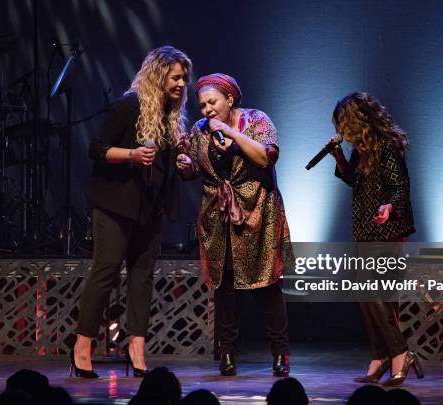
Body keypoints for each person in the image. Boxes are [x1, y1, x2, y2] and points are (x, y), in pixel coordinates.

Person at [71, 45, 192, 378]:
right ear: (158, 74)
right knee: (106, 270)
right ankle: (82, 345)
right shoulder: (130, 104)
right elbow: (96, 149)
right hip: (115, 204)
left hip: (148, 208)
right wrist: (132, 155)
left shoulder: (172, 116)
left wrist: (183, 163)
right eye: (175, 76)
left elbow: (171, 168)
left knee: (142, 277)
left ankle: (136, 345)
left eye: (184, 78)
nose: (182, 83)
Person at [176, 73, 293, 377]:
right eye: (202, 105)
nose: (207, 110)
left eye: (212, 102)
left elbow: (266, 157)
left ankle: (281, 354)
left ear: (230, 99)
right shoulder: (200, 130)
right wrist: (186, 166)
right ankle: (226, 354)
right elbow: (191, 167)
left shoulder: (257, 120)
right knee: (225, 288)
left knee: (268, 287)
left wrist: (230, 132)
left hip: (258, 214)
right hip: (220, 218)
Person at [328, 92, 422, 387]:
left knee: (376, 291)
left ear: (356, 121)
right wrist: (338, 157)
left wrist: (389, 206)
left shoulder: (386, 146)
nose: (341, 131)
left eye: (342, 124)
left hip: (388, 228)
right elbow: (356, 181)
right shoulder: (362, 149)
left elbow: (400, 187)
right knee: (367, 294)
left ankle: (399, 352)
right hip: (367, 228)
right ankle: (381, 354)